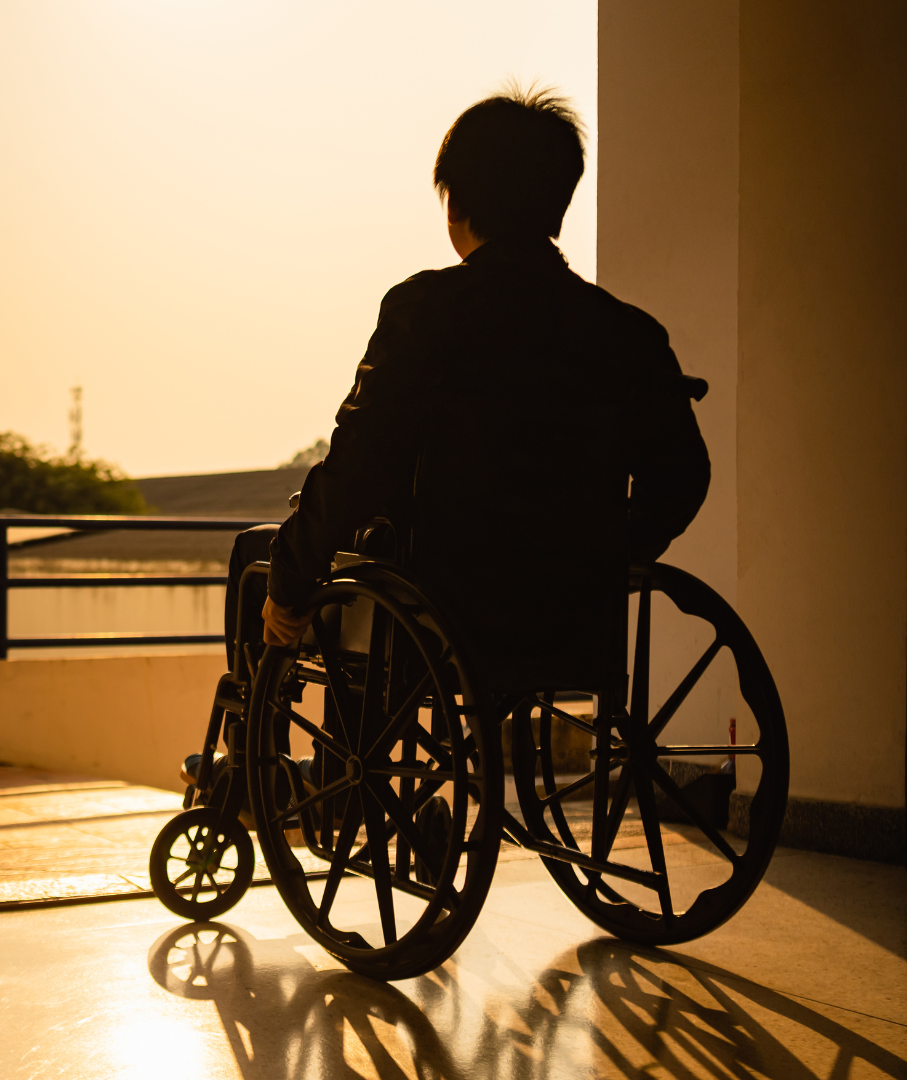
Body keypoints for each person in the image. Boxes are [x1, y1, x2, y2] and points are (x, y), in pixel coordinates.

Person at [224, 86, 710, 696]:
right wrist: (607, 558)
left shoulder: (425, 311)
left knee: (263, 558)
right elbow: (683, 476)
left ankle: (275, 765)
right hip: (573, 612)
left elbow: (358, 466)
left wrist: (291, 582)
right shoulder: (628, 334)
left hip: (438, 612)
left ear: (456, 203)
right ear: (557, 207)